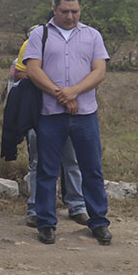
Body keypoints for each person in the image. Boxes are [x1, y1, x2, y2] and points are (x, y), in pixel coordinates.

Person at [24, 0, 112, 246]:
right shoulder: (40, 34)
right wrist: (60, 94)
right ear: (54, 9)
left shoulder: (92, 35)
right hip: (50, 115)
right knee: (47, 170)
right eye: (65, 11)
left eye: (75, 11)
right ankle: (46, 223)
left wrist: (73, 92)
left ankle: (99, 222)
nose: (70, 16)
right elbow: (32, 69)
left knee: (92, 169)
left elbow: (99, 72)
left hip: (85, 115)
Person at [9, 28, 89, 228]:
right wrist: (49, 84)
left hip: (71, 111)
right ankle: (36, 209)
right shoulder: (33, 43)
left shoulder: (78, 44)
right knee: (39, 162)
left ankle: (77, 206)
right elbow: (19, 72)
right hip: (39, 111)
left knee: (72, 160)